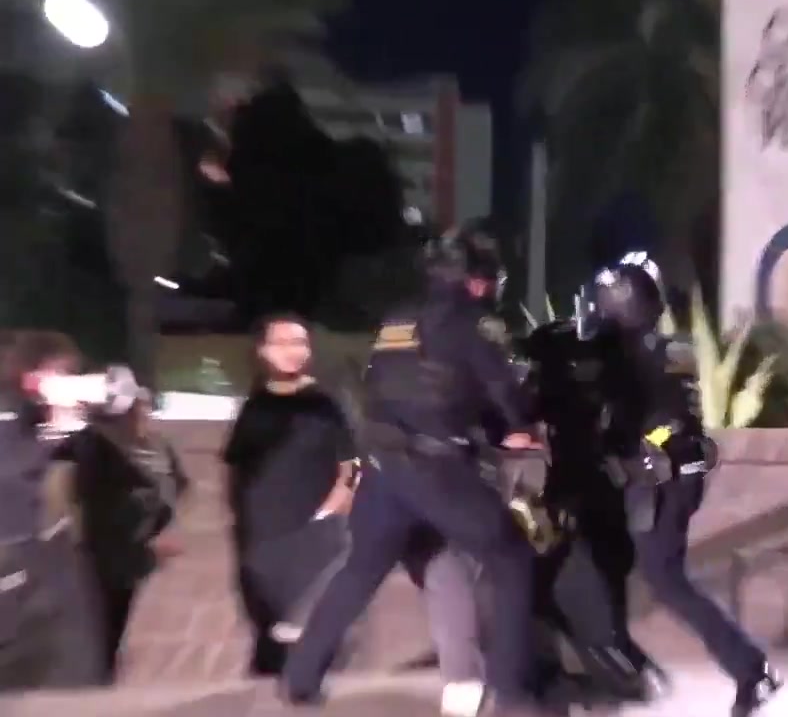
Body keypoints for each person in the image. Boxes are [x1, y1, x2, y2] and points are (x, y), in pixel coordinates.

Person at [281, 224, 547, 717]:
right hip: (437, 469)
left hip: (385, 468)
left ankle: (299, 679)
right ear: (477, 279)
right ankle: (513, 695)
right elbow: (507, 396)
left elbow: (384, 385)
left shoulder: (397, 322)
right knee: (511, 558)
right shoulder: (475, 325)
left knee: (362, 568)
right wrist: (521, 426)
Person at [576, 252, 782, 717]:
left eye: (608, 303)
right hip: (662, 477)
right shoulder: (652, 352)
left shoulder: (651, 355)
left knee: (664, 578)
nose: (600, 311)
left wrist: (634, 451)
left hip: (662, 480)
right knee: (605, 561)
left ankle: (751, 669)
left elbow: (665, 421)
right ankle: (613, 666)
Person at [518, 318, 670, 704]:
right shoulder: (620, 382)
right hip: (606, 500)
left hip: (577, 499)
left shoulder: (562, 388)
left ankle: (612, 676)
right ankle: (623, 671)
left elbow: (520, 413)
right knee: (601, 591)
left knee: (546, 588)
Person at [222, 313, 358, 677]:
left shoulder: (327, 404)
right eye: (280, 343)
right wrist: (240, 523)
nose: (291, 351)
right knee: (268, 638)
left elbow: (351, 466)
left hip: (314, 535)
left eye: (298, 342)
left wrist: (331, 514)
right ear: (263, 350)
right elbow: (236, 469)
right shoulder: (255, 406)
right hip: (261, 538)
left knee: (313, 636)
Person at [59, 387, 189, 681]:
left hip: (132, 544)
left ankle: (103, 670)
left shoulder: (156, 447)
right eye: (135, 409)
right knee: (102, 610)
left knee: (115, 610)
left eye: (143, 409)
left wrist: (162, 526)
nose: (141, 415)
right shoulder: (94, 442)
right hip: (100, 541)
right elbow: (67, 472)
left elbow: (178, 486)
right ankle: (100, 671)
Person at [0, 330, 105, 690]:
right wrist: (52, 435)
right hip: (12, 573)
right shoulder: (9, 424)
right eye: (57, 374)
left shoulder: (68, 428)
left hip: (58, 575)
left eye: (70, 373)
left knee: (74, 676)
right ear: (28, 376)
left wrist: (72, 428)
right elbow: (12, 478)